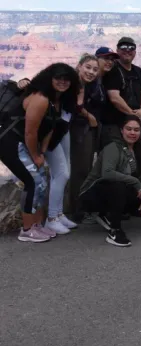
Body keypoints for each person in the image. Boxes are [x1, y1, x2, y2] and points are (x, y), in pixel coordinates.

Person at [0, 63, 80, 243]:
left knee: (41, 181)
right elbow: (30, 132)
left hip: (23, 144)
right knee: (33, 181)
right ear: (49, 78)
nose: (63, 82)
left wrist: (42, 152)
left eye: (67, 79)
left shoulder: (54, 100)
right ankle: (27, 230)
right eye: (58, 78)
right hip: (11, 143)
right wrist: (35, 156)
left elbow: (48, 129)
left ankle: (38, 225)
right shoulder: (41, 98)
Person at [79, 115, 141, 247]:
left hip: (112, 190)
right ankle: (115, 231)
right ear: (122, 130)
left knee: (135, 200)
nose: (132, 133)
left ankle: (105, 214)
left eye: (136, 130)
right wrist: (136, 183)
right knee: (119, 185)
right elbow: (107, 173)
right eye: (129, 129)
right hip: (90, 194)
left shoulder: (137, 150)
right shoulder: (113, 147)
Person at [69, 54, 105, 225]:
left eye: (95, 69)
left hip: (88, 129)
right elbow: (77, 106)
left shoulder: (91, 85)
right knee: (80, 169)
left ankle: (81, 208)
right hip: (78, 130)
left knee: (86, 168)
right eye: (88, 67)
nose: (91, 72)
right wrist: (88, 115)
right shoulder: (73, 83)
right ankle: (76, 210)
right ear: (79, 66)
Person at [100, 36, 141, 148]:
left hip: (135, 124)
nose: (127, 50)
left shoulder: (138, 71)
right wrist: (133, 114)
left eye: (131, 48)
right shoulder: (113, 69)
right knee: (114, 156)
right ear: (117, 50)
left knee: (137, 157)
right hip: (114, 124)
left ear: (135, 52)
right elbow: (114, 97)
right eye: (123, 47)